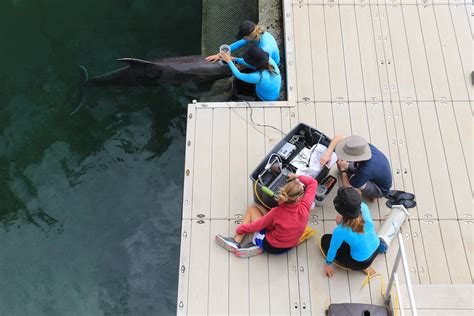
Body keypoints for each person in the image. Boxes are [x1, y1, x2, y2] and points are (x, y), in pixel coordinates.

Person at [215, 174, 318, 258]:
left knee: (252, 209)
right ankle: (256, 245)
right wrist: (297, 177)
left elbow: (256, 226)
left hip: (272, 245)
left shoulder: (276, 212)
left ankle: (238, 241)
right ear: (299, 197)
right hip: (290, 245)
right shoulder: (305, 206)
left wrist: (240, 229)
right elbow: (313, 182)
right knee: (262, 210)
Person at [321, 187, 380, 277]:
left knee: (325, 240)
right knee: (355, 241)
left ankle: (363, 267)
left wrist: (328, 264)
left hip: (360, 262)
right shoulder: (364, 206)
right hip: (376, 248)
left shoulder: (340, 231)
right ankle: (367, 265)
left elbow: (333, 249)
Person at [320, 135, 392, 201]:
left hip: (380, 189)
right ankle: (357, 179)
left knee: (353, 187)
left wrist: (343, 170)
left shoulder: (365, 171)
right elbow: (339, 137)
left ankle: (374, 195)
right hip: (376, 172)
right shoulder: (363, 147)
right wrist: (328, 153)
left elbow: (348, 188)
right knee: (347, 167)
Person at [205, 20, 280, 66]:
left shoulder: (265, 48)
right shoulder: (256, 33)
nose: (243, 39)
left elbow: (255, 65)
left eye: (243, 37)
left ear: (249, 36)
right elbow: (237, 44)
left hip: (268, 63)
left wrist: (232, 59)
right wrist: (219, 54)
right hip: (261, 57)